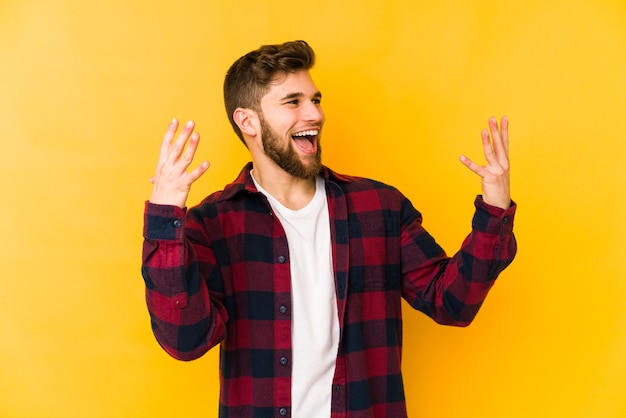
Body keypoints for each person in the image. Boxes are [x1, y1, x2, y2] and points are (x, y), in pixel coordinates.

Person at [142, 40, 517, 418]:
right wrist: (164, 218)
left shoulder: (379, 208)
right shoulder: (213, 224)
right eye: (294, 102)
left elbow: (451, 302)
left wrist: (495, 210)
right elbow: (185, 339)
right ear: (248, 121)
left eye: (316, 100)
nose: (315, 114)